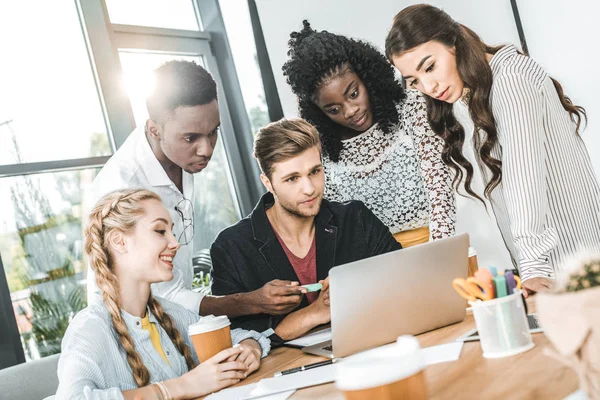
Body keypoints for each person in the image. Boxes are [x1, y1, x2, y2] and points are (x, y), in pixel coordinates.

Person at [385, 4, 600, 295]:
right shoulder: (475, 94)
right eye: (415, 81)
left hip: (572, 263)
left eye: (430, 67)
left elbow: (523, 178)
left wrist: (533, 265)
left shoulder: (510, 80)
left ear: (454, 41)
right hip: (552, 268)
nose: (429, 86)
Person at [88, 60, 307, 317]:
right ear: (154, 129)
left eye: (213, 132)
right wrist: (250, 302)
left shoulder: (180, 157)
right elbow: (164, 296)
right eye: (191, 138)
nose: (207, 150)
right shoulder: (122, 188)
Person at [57, 189, 270, 399]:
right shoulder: (89, 329)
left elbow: (240, 338)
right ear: (119, 241)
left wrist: (250, 349)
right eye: (160, 231)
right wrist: (174, 388)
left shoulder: (168, 313)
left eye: (172, 232)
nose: (175, 243)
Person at [210, 119, 401, 346]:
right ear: (268, 183)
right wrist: (315, 313)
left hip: (372, 344)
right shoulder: (231, 248)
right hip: (284, 370)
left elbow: (404, 282)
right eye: (292, 178)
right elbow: (233, 338)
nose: (309, 188)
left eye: (315, 171)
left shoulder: (355, 218)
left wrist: (359, 290)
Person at [281, 21, 456, 248]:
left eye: (353, 93)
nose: (350, 110)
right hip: (374, 265)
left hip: (437, 248)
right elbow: (338, 229)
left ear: (367, 76)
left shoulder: (412, 109)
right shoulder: (322, 152)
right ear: (318, 112)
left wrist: (439, 254)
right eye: (334, 109)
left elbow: (440, 191)